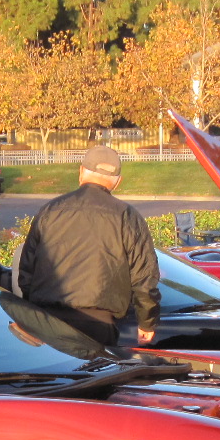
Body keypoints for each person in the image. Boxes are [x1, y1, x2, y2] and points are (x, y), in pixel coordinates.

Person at [15, 145, 160, 346]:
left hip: (47, 319)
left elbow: (26, 269)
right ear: (118, 182)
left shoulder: (51, 210)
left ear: (81, 171)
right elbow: (144, 279)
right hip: (98, 324)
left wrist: (34, 309)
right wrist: (147, 322)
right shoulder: (127, 216)